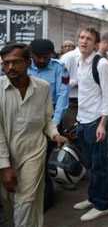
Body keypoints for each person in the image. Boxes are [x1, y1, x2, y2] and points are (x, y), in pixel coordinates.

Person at [0, 43, 67, 227]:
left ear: (28, 62)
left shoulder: (43, 88)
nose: (10, 68)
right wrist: (4, 166)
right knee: (9, 202)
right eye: (6, 63)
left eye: (16, 62)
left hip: (34, 152)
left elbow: (47, 119)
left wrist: (54, 134)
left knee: (26, 201)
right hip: (5, 155)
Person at [72, 28, 108, 222]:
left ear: (96, 44)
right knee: (89, 164)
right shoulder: (79, 61)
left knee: (100, 165)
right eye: (81, 37)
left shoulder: (102, 63)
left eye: (88, 39)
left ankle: (102, 204)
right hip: (82, 119)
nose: (83, 41)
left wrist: (103, 124)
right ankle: (92, 197)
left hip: (96, 122)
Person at [28, 39, 70, 211]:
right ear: (31, 55)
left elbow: (62, 95)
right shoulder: (24, 66)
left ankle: (46, 199)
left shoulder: (60, 68)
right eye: (38, 57)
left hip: (50, 120)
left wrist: (54, 123)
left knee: (43, 162)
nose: (42, 61)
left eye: (46, 57)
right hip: (27, 121)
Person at [60, 43, 81, 133]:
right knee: (71, 133)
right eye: (65, 46)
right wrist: (77, 82)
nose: (68, 48)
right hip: (71, 102)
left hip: (87, 102)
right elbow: (60, 82)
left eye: (69, 46)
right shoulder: (67, 58)